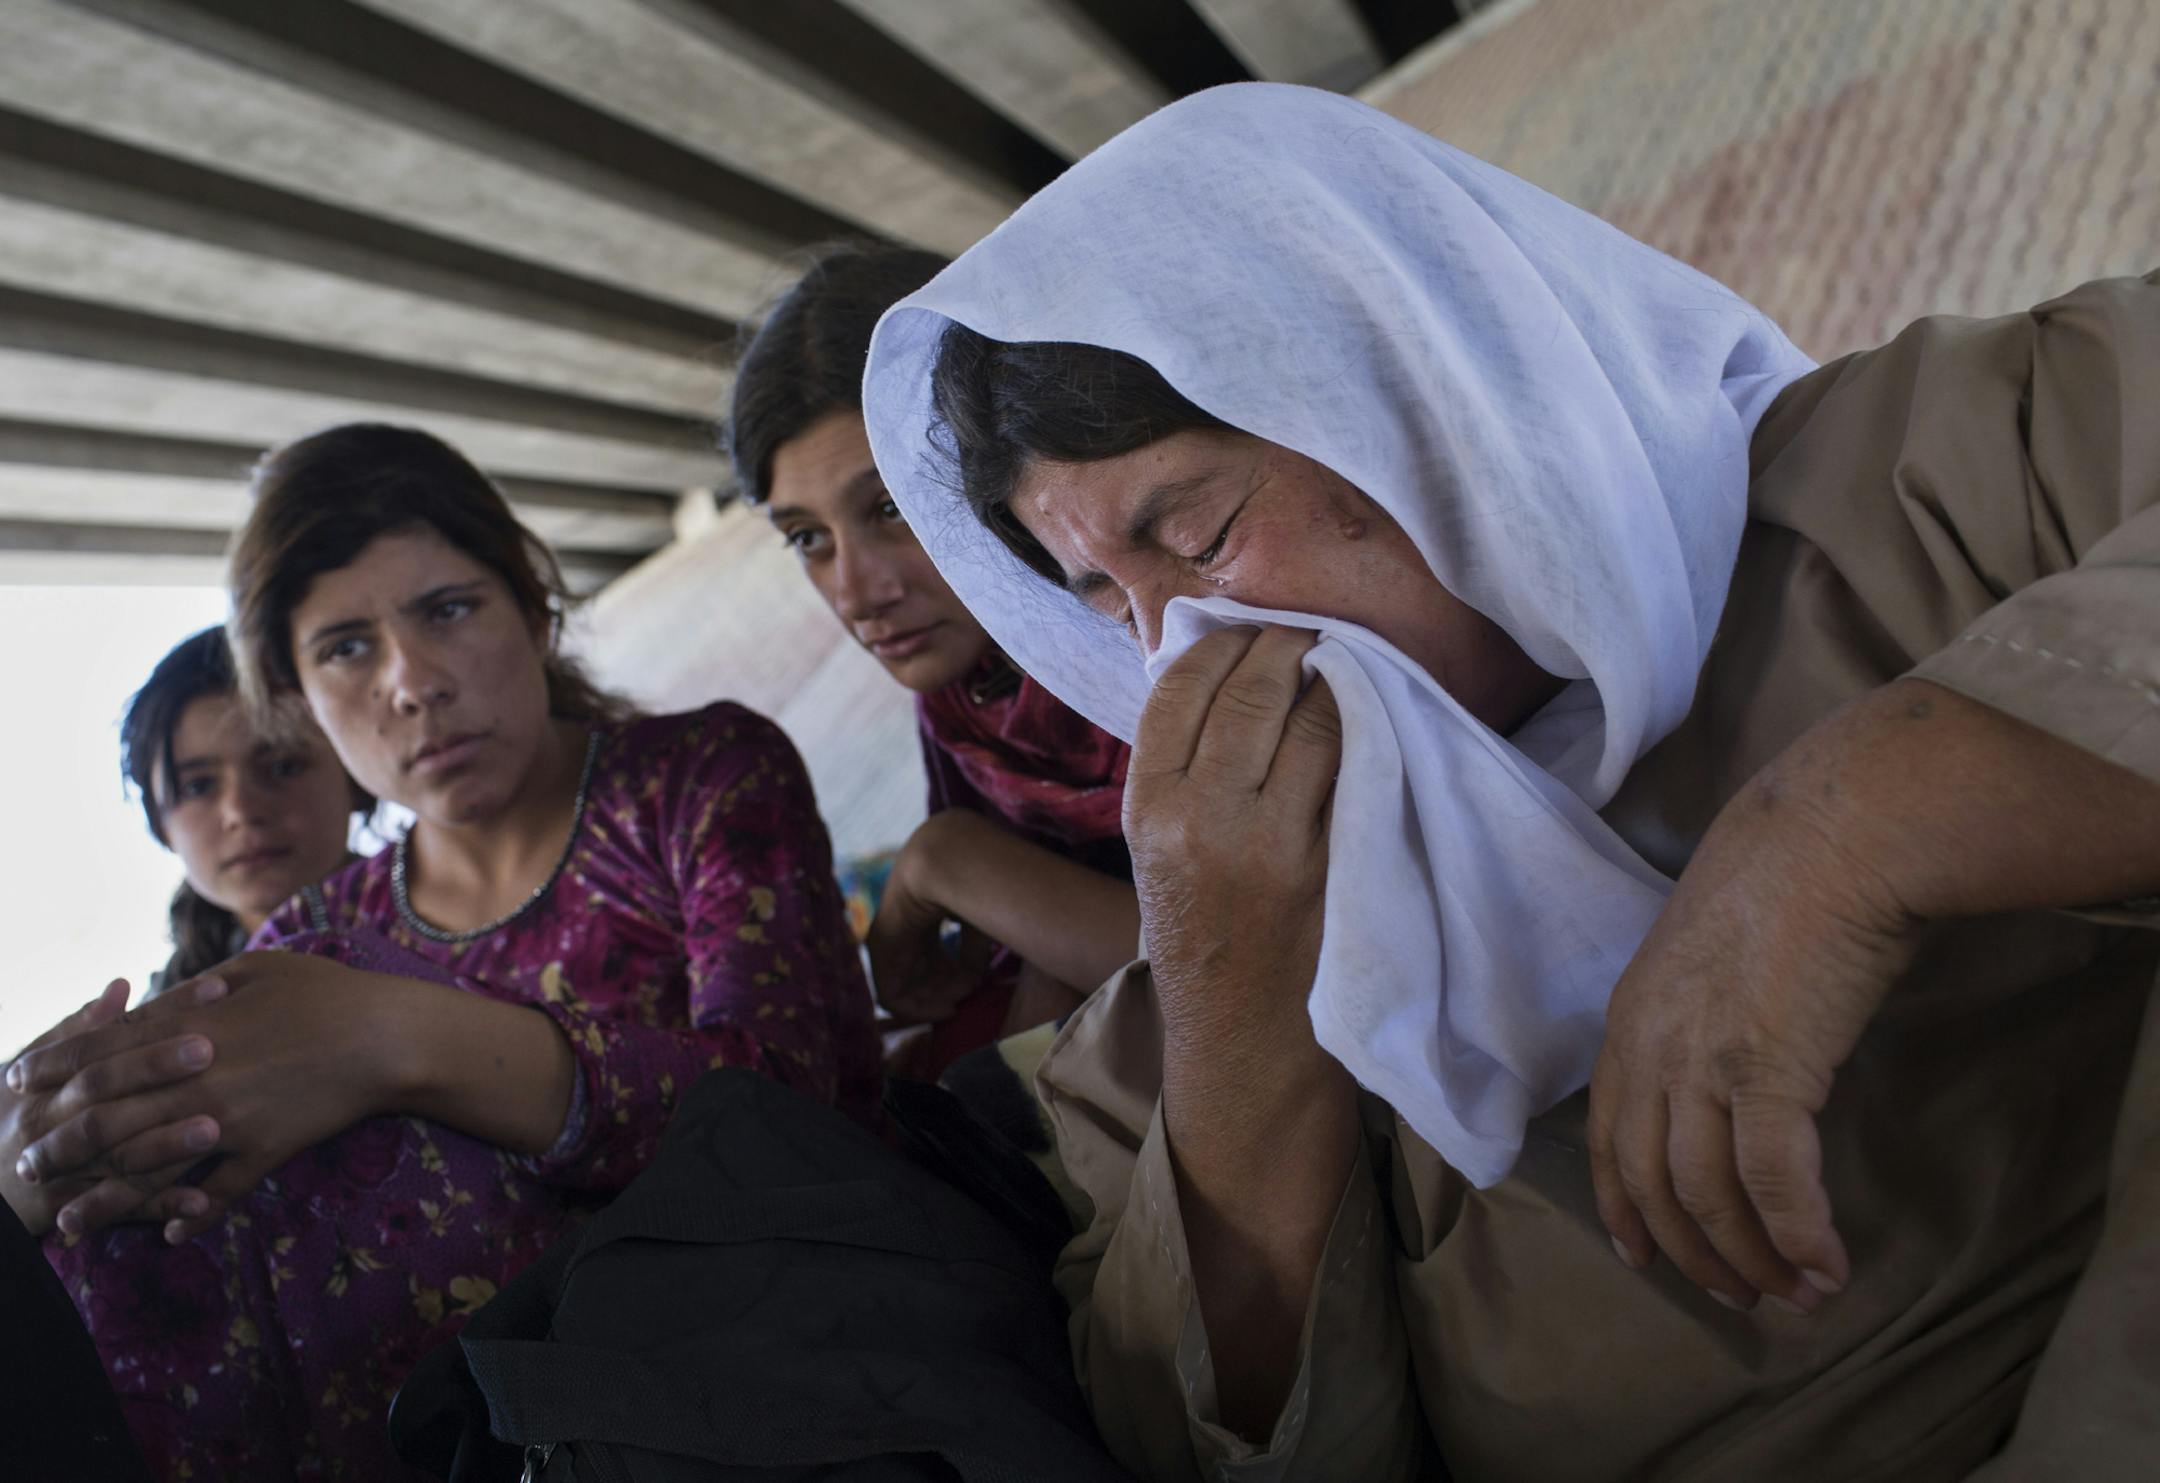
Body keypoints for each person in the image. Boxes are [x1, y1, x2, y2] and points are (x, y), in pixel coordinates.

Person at [859, 85, 2160, 1481]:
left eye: (1204, 532)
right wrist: (1239, 1029)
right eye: (1111, 606)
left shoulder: (1948, 462)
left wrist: (1844, 830)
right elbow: (1207, 1443)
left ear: (1416, 390)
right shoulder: (1227, 936)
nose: (1185, 647)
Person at [9, 423, 882, 1479]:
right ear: (296, 696)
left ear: (534, 608)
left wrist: (401, 1036)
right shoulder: (312, 940)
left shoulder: (695, 778)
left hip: (733, 1363)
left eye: (450, 609)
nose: (414, 682)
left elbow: (793, 1118)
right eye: (346, 648)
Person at [729, 243, 1140, 1075]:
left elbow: (1277, 966)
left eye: (889, 505)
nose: (856, 591)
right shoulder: (968, 699)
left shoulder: (1155, 631)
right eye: (808, 538)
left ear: (995, 458)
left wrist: (948, 859)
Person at [2, 626, 364, 1242]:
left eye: (282, 765)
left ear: (355, 772)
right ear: (161, 823)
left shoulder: (457, 939)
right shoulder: (150, 1023)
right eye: (197, 785)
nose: (242, 810)